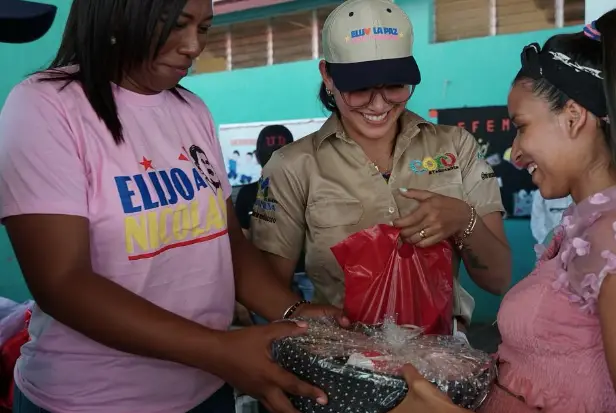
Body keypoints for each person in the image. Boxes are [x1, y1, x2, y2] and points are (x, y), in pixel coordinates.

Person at [0, 1, 346, 412]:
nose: (194, 46)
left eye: (203, 28)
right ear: (116, 15)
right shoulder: (46, 105)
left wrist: (297, 314)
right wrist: (220, 349)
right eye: (177, 25)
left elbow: (227, 245)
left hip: (205, 389)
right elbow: (61, 282)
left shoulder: (191, 110)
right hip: (91, 400)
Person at [390, 10, 616, 413]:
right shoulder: (582, 224)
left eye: (522, 125)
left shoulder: (609, 235)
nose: (514, 152)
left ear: (573, 117)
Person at [250, 0, 512, 339]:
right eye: (359, 88)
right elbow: (267, 292)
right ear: (328, 76)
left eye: (395, 86)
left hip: (445, 355)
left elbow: (498, 279)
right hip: (346, 359)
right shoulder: (292, 166)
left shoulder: (456, 147)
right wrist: (306, 318)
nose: (379, 104)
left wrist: (464, 220)